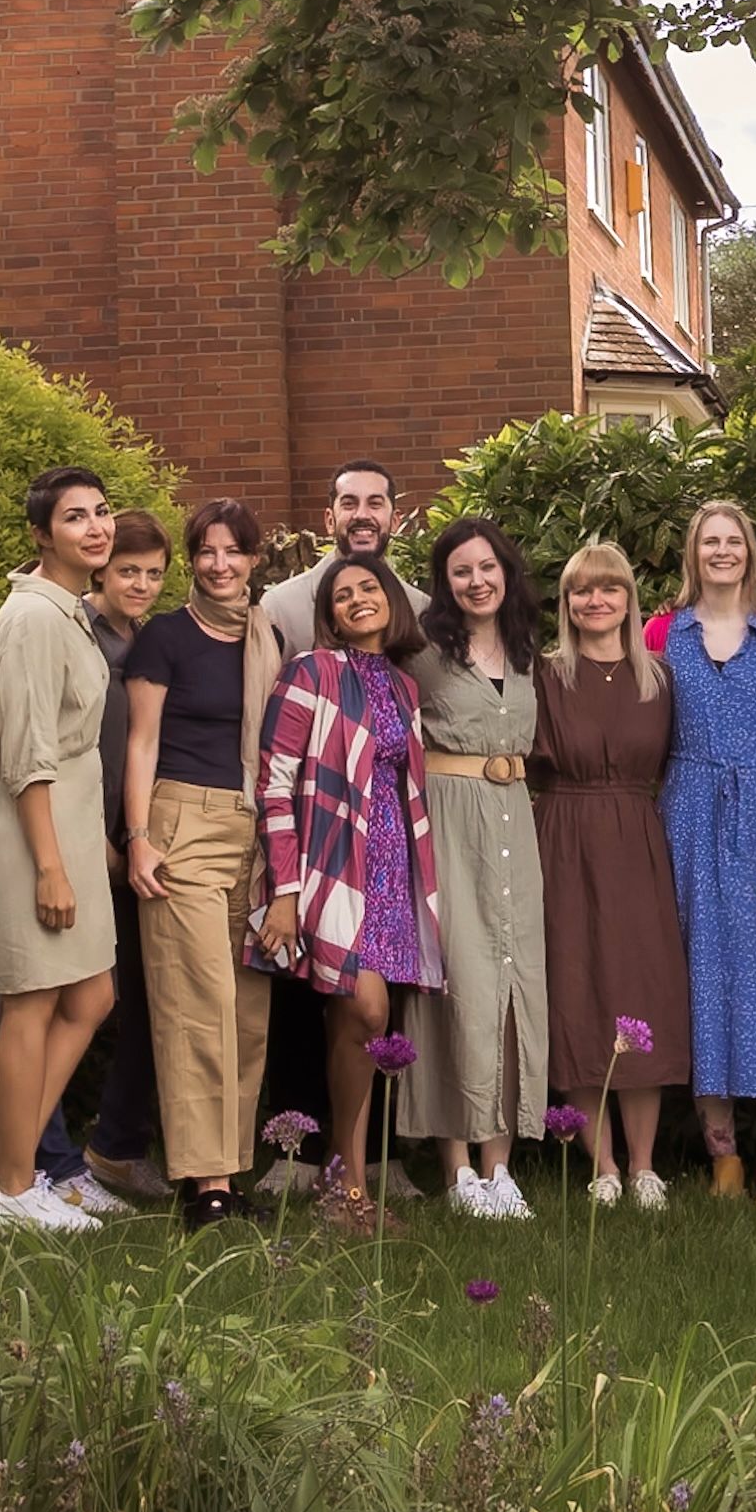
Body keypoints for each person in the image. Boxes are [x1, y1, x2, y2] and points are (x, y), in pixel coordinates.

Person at [251, 553, 445, 1205]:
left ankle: (348, 1178)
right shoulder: (309, 673)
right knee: (366, 1008)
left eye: (368, 587)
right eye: (342, 594)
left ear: (391, 598)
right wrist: (284, 889)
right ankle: (350, 1176)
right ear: (328, 613)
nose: (357, 599)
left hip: (391, 871)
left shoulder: (400, 685)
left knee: (354, 1021)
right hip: (333, 867)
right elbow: (274, 784)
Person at [647, 501, 756, 1203]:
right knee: (701, 979)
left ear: (750, 552)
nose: (722, 551)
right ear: (692, 554)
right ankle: (722, 1154)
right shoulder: (660, 630)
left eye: (733, 541)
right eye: (708, 541)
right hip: (684, 811)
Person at [0, 467, 119, 1231]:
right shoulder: (29, 619)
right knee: (29, 1002)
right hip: (32, 834)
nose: (95, 527)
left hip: (74, 828)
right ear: (40, 534)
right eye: (73, 517)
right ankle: (16, 1184)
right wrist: (51, 865)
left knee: (92, 996)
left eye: (100, 512)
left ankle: (11, 1174)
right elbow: (25, 753)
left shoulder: (72, 611)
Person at [124, 498, 283, 1228]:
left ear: (255, 559)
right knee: (197, 1006)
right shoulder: (166, 636)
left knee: (245, 1012)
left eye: (234, 551)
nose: (220, 564)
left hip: (247, 827)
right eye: (207, 552)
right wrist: (138, 835)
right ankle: (206, 1186)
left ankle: (225, 1172)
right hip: (180, 823)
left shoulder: (265, 637)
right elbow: (141, 741)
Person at [532, 542, 690, 1208]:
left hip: (636, 839)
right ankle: (601, 1165)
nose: (594, 601)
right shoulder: (543, 674)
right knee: (578, 985)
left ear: (628, 599)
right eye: (580, 590)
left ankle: (645, 1165)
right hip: (563, 836)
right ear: (567, 603)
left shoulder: (658, 675)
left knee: (638, 988)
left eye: (608, 589)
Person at [397, 516, 547, 1218]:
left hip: (514, 817)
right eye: (461, 571)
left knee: (514, 980)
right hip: (449, 824)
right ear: (444, 582)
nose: (476, 580)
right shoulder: (422, 651)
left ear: (505, 570)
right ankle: (457, 1168)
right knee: (458, 981)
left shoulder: (525, 649)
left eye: (486, 566)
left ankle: (500, 1167)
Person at [59, 510, 174, 1209]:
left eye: (154, 572)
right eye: (128, 570)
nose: (140, 583)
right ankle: (46, 1160)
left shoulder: (148, 637)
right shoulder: (74, 629)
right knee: (56, 1000)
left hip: (133, 841)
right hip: (77, 836)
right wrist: (90, 837)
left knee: (144, 997)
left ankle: (117, 1146)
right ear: (101, 568)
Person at [262, 459, 428, 656]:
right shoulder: (281, 608)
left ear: (394, 521)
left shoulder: (421, 611)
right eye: (349, 504)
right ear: (330, 521)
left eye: (375, 504)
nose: (362, 515)